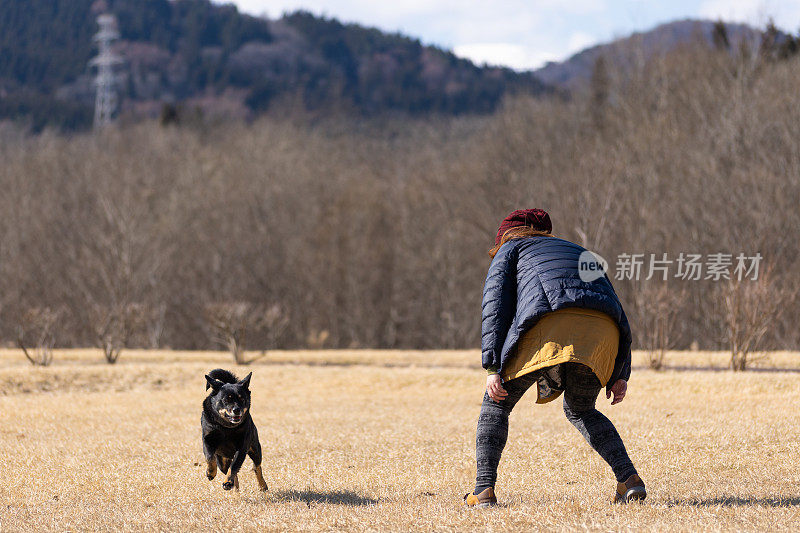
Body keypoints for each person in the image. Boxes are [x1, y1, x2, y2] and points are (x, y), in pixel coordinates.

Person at [464, 209, 645, 508]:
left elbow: (495, 308)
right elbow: (617, 309)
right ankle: (629, 480)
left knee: (496, 402)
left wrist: (493, 367)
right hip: (602, 333)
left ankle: (483, 490)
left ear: (506, 235)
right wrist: (620, 371)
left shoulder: (510, 250)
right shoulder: (580, 251)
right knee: (581, 409)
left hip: (550, 321)